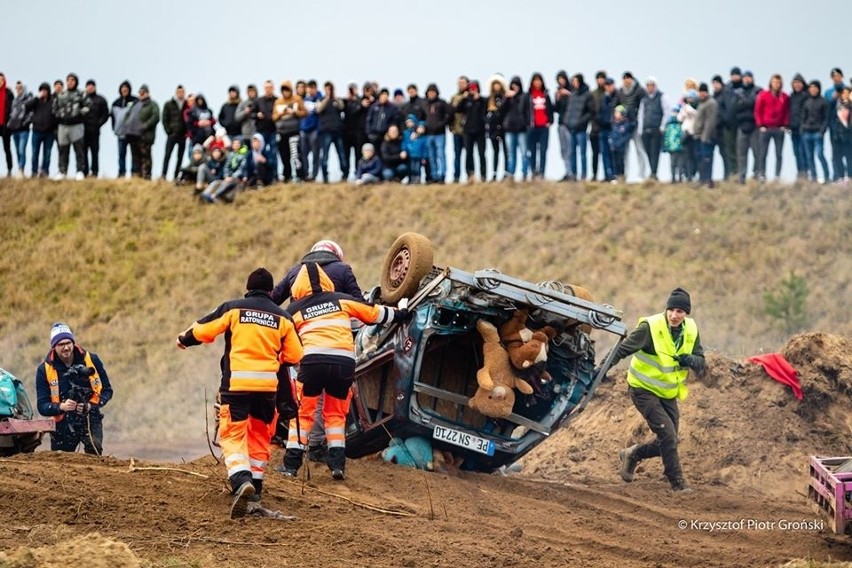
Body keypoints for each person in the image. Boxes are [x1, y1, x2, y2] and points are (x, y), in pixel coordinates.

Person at [177, 268, 303, 519]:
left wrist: (185, 339)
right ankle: (254, 489)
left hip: (237, 387)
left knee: (232, 434)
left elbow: (204, 329)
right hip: (267, 390)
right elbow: (295, 355)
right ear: (270, 291)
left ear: (248, 288)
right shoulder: (283, 317)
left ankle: (240, 480)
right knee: (259, 438)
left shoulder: (234, 308)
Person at [278, 262, 408, 481]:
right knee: (336, 414)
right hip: (343, 362)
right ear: (326, 281)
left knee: (303, 414)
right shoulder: (341, 300)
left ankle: (291, 466)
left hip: (312, 363)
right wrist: (401, 313)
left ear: (298, 288)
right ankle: (337, 466)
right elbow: (373, 314)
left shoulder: (294, 310)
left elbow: (281, 338)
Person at [609, 288, 705, 492]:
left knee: (670, 440)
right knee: (668, 436)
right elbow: (623, 349)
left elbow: (701, 361)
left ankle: (633, 454)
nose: (674, 315)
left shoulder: (691, 330)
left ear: (686, 313)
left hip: (667, 393)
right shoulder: (651, 327)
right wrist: (601, 369)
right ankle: (677, 483)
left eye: (680, 311)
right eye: (671, 309)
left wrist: (691, 360)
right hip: (642, 389)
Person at [35, 323, 114, 455]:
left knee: (94, 451)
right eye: (61, 344)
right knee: (61, 461)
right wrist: (62, 407)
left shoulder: (91, 360)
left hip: (90, 417)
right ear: (54, 347)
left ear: (73, 342)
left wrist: (90, 406)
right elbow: (42, 406)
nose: (66, 347)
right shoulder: (44, 369)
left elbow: (107, 391)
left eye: (68, 343)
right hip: (62, 423)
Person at [52, 73, 90, 181]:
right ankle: (62, 171)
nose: (70, 82)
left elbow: (88, 105)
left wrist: (79, 113)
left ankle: (79, 171)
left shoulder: (81, 93)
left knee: (79, 150)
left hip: (76, 125)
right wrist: (59, 115)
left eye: (72, 80)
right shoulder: (61, 94)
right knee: (63, 150)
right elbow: (54, 108)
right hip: (63, 126)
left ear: (76, 82)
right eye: (68, 80)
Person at [754, 74, 790, 182]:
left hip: (779, 129)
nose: (776, 84)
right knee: (763, 153)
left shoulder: (784, 97)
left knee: (779, 154)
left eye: (778, 82)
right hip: (766, 128)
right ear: (771, 83)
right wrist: (760, 125)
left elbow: (787, 112)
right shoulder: (763, 95)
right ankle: (762, 174)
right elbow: (758, 111)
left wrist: (785, 124)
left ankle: (777, 175)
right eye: (775, 82)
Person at [123, 84, 159, 180]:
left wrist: (145, 126)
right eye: (140, 92)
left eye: (143, 92)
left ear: (147, 93)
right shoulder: (135, 104)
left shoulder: (152, 105)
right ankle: (137, 175)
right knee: (135, 156)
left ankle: (147, 176)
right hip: (133, 135)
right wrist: (126, 124)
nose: (141, 94)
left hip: (145, 136)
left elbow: (155, 117)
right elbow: (127, 115)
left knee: (146, 157)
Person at [273, 81, 307, 183]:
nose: (285, 92)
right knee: (284, 155)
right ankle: (287, 176)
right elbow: (273, 117)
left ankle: (300, 176)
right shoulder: (278, 101)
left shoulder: (297, 99)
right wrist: (281, 113)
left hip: (293, 131)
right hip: (282, 132)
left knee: (295, 155)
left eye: (287, 89)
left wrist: (295, 112)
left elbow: (305, 112)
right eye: (283, 90)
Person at [565, 73, 595, 181]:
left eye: (575, 81)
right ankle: (573, 174)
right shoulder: (572, 94)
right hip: (571, 128)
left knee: (582, 153)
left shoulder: (588, 95)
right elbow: (569, 111)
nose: (574, 83)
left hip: (581, 129)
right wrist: (566, 122)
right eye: (573, 81)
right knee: (572, 152)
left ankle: (583, 175)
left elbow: (590, 112)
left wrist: (581, 122)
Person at [637, 77, 669, 181]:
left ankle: (654, 172)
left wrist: (662, 126)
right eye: (648, 85)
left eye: (652, 85)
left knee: (655, 151)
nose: (650, 87)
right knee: (648, 152)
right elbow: (641, 115)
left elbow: (666, 112)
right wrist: (640, 129)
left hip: (656, 128)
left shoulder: (662, 97)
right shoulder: (644, 99)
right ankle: (651, 171)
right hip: (646, 129)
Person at [617, 72, 647, 180]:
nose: (626, 81)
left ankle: (641, 174)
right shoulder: (620, 91)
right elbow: (616, 106)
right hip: (625, 127)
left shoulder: (639, 90)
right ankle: (624, 175)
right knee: (625, 151)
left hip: (636, 125)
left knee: (640, 150)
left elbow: (645, 106)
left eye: (628, 79)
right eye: (624, 79)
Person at [201, 137, 248, 203]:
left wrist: (232, 177)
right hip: (228, 177)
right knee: (216, 182)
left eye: (238, 143)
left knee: (228, 182)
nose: (236, 145)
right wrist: (226, 176)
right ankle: (206, 194)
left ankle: (214, 195)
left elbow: (241, 169)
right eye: (234, 143)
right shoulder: (230, 154)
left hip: (238, 178)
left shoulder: (244, 155)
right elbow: (226, 167)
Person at [800, 80, 830, 183]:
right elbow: (803, 117)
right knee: (809, 157)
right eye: (811, 88)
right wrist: (802, 129)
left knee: (820, 154)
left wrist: (822, 131)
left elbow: (826, 118)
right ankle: (814, 177)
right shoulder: (806, 102)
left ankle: (826, 176)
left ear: (818, 89)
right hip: (807, 133)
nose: (813, 90)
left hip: (818, 133)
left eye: (815, 88)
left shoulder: (823, 102)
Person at [316, 81, 347, 183]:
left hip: (337, 131)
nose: (329, 90)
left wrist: (335, 97)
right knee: (325, 155)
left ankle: (344, 175)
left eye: (331, 89)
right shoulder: (321, 99)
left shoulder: (337, 100)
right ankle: (325, 177)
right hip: (325, 132)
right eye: (327, 89)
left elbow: (342, 107)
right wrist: (327, 98)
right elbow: (318, 109)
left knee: (341, 154)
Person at [734, 70, 761, 183]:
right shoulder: (737, 92)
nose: (747, 79)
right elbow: (735, 108)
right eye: (745, 77)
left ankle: (757, 174)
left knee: (757, 152)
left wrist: (745, 105)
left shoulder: (758, 91)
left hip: (755, 126)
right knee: (741, 154)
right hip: (742, 126)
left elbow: (758, 106)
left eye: (749, 77)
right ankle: (742, 176)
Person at [503, 76, 530, 183]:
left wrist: (516, 96)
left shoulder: (524, 96)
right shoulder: (508, 97)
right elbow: (501, 110)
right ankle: (511, 174)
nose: (515, 87)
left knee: (524, 153)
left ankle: (524, 174)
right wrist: (507, 98)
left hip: (521, 129)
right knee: (511, 153)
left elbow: (523, 110)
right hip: (509, 129)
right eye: (513, 85)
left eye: (517, 85)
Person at [423, 83, 453, 184]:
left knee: (441, 155)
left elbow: (450, 114)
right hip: (428, 134)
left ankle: (442, 175)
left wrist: (442, 124)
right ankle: (434, 175)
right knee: (431, 156)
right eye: (429, 92)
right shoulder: (425, 104)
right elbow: (422, 117)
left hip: (440, 134)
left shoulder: (442, 103)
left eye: (433, 92)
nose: (431, 94)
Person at [460, 80, 487, 183]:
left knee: (481, 154)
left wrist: (479, 99)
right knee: (468, 154)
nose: (472, 90)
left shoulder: (483, 100)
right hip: (468, 131)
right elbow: (457, 109)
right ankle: (470, 175)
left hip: (480, 131)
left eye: (474, 88)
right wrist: (463, 98)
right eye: (471, 88)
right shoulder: (466, 100)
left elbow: (485, 111)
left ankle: (483, 175)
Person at [527, 72, 553, 180]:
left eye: (539, 80)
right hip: (532, 127)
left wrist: (550, 121)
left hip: (544, 127)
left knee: (543, 151)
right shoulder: (528, 95)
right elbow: (525, 110)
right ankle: (533, 171)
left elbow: (550, 109)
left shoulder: (546, 95)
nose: (537, 82)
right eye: (535, 80)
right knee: (532, 151)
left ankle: (541, 172)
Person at [26, 82, 56, 178]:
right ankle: (34, 172)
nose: (43, 92)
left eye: (45, 90)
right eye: (42, 90)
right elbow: (27, 106)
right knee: (35, 153)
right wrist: (36, 97)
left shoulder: (52, 101)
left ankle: (45, 172)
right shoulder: (36, 101)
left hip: (49, 132)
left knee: (47, 153)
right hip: (36, 131)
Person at [693, 83, 719, 187]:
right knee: (700, 159)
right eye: (700, 92)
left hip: (707, 137)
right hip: (698, 136)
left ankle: (707, 180)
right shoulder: (700, 103)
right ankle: (702, 179)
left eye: (703, 91)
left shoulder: (711, 103)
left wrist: (705, 136)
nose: (701, 94)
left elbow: (710, 121)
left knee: (707, 158)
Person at [81, 80, 109, 178]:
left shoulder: (100, 100)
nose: (90, 87)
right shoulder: (82, 100)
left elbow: (105, 114)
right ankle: (84, 172)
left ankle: (95, 172)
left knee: (94, 153)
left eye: (92, 86)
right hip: (83, 131)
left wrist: (98, 124)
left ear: (95, 87)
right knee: (83, 152)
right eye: (88, 86)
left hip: (95, 131)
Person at [110, 80, 137, 178]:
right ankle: (121, 173)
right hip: (121, 134)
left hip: (133, 133)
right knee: (121, 155)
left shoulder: (135, 101)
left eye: (126, 88)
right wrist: (114, 129)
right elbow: (112, 117)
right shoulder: (116, 103)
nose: (124, 90)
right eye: (123, 88)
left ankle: (134, 173)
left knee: (134, 154)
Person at [161, 85, 187, 181]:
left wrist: (186, 133)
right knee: (167, 155)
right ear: (176, 92)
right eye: (179, 92)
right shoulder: (169, 104)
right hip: (172, 134)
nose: (181, 94)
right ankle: (163, 175)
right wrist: (169, 131)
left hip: (183, 135)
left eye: (182, 92)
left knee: (180, 157)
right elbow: (164, 119)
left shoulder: (186, 104)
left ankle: (176, 176)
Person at [7, 81, 33, 178]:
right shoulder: (15, 100)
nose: (18, 90)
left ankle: (21, 168)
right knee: (17, 150)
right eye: (17, 88)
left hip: (24, 129)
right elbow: (11, 114)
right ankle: (19, 169)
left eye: (20, 88)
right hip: (15, 129)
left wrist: (24, 123)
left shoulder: (28, 99)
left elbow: (31, 114)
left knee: (22, 149)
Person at [485, 75, 508, 182]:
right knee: (496, 152)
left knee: (506, 151)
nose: (497, 87)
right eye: (495, 85)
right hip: (493, 129)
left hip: (504, 128)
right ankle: (494, 173)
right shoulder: (489, 99)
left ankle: (506, 172)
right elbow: (485, 115)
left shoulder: (505, 98)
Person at [299, 80, 322, 182]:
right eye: (309, 88)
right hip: (303, 129)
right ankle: (306, 174)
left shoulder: (319, 99)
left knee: (315, 154)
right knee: (303, 154)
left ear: (315, 88)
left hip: (314, 130)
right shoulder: (304, 99)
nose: (310, 90)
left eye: (312, 88)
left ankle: (314, 175)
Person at [449, 75, 469, 183]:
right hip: (456, 130)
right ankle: (456, 176)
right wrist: (451, 127)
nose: (461, 85)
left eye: (463, 83)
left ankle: (469, 176)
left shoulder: (471, 96)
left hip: (467, 131)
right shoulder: (454, 97)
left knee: (468, 155)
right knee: (457, 155)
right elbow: (451, 112)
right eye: (459, 83)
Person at [788, 74, 808, 180]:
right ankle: (799, 172)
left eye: (799, 83)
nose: (797, 85)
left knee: (803, 151)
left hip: (803, 129)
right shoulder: (791, 96)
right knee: (796, 152)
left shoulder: (806, 96)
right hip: (793, 128)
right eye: (795, 83)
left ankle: (805, 172)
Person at [597, 78, 617, 182]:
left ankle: (614, 175)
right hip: (603, 129)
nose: (608, 87)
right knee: (604, 153)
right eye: (606, 85)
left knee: (612, 152)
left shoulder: (617, 97)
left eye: (610, 85)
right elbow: (598, 112)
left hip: (612, 129)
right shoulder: (602, 98)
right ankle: (606, 175)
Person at [609, 105, 633, 182]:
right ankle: (616, 176)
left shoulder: (626, 124)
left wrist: (620, 143)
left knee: (620, 162)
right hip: (614, 147)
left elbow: (626, 136)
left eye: (618, 113)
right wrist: (611, 142)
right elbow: (612, 135)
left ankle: (622, 176)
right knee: (614, 162)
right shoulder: (613, 124)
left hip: (621, 147)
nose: (616, 114)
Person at [402, 115, 427, 184]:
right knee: (411, 168)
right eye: (407, 122)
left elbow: (424, 148)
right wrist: (404, 150)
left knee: (417, 168)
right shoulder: (406, 133)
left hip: (418, 156)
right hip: (410, 155)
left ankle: (417, 180)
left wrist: (424, 157)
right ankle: (411, 179)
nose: (409, 124)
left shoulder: (422, 138)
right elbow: (405, 143)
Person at [0, 73, 13, 176]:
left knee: (7, 148)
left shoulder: (8, 93)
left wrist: (8, 123)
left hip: (5, 125)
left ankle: (9, 170)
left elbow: (12, 109)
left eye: (1, 80)